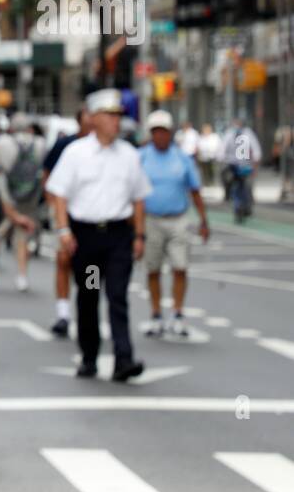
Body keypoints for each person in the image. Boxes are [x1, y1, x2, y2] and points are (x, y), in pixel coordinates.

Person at [45, 89, 151, 381]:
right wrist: (64, 230)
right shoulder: (76, 153)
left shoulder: (129, 155)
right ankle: (89, 356)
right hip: (88, 238)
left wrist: (139, 236)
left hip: (117, 236)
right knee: (90, 295)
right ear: (94, 118)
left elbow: (139, 198)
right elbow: (59, 194)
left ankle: (123, 358)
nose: (116, 122)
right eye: (110, 116)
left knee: (118, 296)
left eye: (118, 116)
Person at [139, 110, 209, 338]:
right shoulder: (141, 157)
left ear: (170, 133)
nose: (160, 136)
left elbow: (195, 190)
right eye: (156, 132)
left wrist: (203, 220)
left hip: (178, 218)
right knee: (153, 269)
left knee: (180, 267)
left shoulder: (182, 158)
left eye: (164, 131)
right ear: (151, 134)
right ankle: (156, 314)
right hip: (150, 220)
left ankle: (178, 313)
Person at [42, 107, 91, 337]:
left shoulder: (111, 150)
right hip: (66, 213)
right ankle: (63, 312)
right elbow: (48, 173)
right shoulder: (67, 146)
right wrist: (52, 203)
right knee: (64, 259)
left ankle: (91, 310)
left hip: (93, 219)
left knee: (92, 267)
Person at [0, 112, 47, 292]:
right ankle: (22, 276)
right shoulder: (40, 143)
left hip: (5, 195)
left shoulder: (3, 143)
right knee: (22, 237)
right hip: (29, 198)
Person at [221, 114, 262, 222]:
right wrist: (222, 159)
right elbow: (221, 150)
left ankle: (247, 205)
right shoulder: (229, 134)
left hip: (245, 166)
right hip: (233, 165)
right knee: (230, 182)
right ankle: (234, 202)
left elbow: (256, 151)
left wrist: (254, 166)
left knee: (246, 185)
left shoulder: (248, 133)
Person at [196, 122, 221, 187]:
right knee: (204, 172)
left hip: (212, 157)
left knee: (212, 171)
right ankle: (205, 183)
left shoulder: (214, 137)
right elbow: (198, 147)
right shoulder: (201, 137)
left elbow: (218, 147)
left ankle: (212, 182)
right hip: (203, 158)